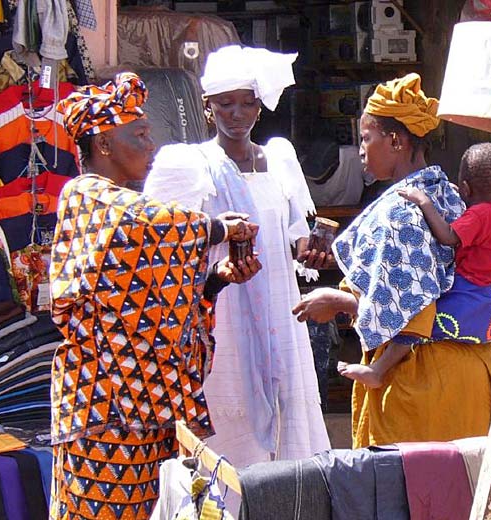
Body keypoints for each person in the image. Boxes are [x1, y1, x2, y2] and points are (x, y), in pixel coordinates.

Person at [49, 72, 261, 520]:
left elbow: (151, 306)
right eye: (140, 135)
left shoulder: (129, 219)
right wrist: (221, 228)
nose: (151, 147)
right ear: (103, 145)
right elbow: (150, 223)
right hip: (103, 416)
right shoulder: (86, 197)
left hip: (149, 417)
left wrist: (215, 282)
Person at [143, 45, 330, 469]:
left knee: (288, 424)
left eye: (247, 104)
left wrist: (313, 252)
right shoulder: (189, 165)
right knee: (229, 424)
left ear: (260, 108)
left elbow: (295, 241)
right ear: (208, 107)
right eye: (225, 104)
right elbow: (156, 237)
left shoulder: (279, 159)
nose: (237, 114)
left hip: (281, 313)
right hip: (222, 314)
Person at [293, 73, 491, 448]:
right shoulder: (452, 197)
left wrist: (338, 300)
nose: (360, 150)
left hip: (423, 383)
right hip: (476, 372)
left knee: (413, 501)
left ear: (395, 140)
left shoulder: (402, 212)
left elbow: (415, 307)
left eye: (365, 138)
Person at [337, 143, 491, 388]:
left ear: (465, 188)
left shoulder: (479, 214)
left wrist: (424, 202)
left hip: (472, 290)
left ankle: (378, 370)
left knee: (418, 317)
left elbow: (448, 237)